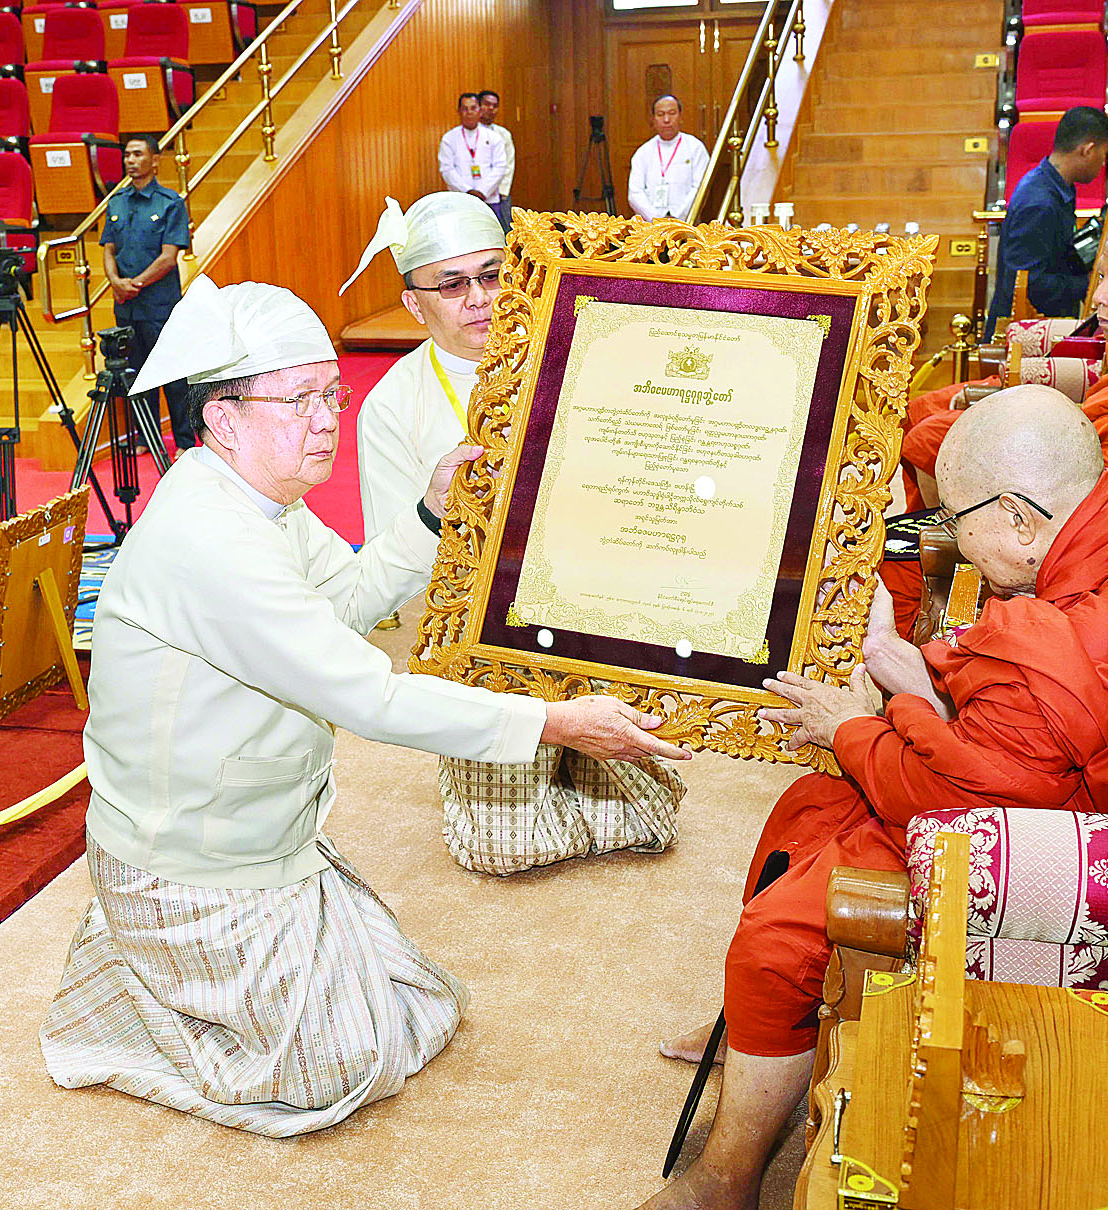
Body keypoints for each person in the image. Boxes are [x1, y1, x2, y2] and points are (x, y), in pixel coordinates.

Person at [38, 276, 690, 1137]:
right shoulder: (209, 537)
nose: (325, 420)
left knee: (421, 1006)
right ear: (223, 419)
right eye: (298, 400)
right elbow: (366, 694)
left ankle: (158, 973)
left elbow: (344, 602)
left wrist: (429, 511)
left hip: (264, 834)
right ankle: (128, 999)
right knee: (339, 1074)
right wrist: (553, 724)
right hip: (193, 857)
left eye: (330, 394)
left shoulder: (258, 499)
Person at [641, 386, 1108, 1210]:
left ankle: (725, 1177)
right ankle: (764, 1027)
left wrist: (854, 724)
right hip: (1055, 788)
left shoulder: (1065, 647)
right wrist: (906, 674)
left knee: (778, 936)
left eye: (955, 518)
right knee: (807, 808)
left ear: (1018, 517)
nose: (951, 538)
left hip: (1048, 849)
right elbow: (1014, 735)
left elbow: (947, 801)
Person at [341, 194, 686, 876]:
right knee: (506, 849)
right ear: (414, 305)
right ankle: (518, 757)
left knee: (646, 824)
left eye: (491, 274)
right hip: (483, 638)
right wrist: (447, 512)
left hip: (594, 606)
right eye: (451, 284)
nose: (478, 298)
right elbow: (393, 571)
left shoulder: (583, 351)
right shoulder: (391, 405)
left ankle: (571, 752)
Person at [909, 217, 1108, 499]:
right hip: (1085, 475)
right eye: (1102, 277)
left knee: (936, 443)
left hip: (1099, 527)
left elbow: (1093, 512)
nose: (1098, 297)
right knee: (932, 430)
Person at [100, 134, 195, 454]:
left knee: (173, 374)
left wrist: (134, 284)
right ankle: (145, 437)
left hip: (159, 305)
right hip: (126, 305)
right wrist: (115, 281)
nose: (130, 160)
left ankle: (184, 441)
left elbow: (168, 258)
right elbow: (108, 249)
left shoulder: (170, 202)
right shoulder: (116, 202)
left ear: (154, 161)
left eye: (138, 154)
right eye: (127, 154)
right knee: (136, 373)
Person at [985, 105, 1108, 338]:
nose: (1103, 164)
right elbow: (1026, 283)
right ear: (1088, 150)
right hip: (1020, 332)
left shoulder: (1057, 186)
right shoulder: (1039, 202)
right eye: (1103, 155)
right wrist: (1086, 285)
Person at [628, 95, 710, 221]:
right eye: (660, 114)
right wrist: (657, 219)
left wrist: (677, 218)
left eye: (672, 113)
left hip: (687, 223)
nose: (666, 120)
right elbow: (635, 193)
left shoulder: (695, 148)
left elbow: (700, 188)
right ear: (653, 119)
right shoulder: (643, 152)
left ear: (680, 117)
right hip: (652, 225)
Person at [438, 92, 507, 214]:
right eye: (465, 108)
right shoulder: (449, 139)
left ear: (480, 110)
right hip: (460, 200)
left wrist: (482, 192)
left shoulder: (494, 137)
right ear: (459, 111)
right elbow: (447, 170)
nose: (469, 112)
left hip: (489, 199)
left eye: (473, 108)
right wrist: (467, 191)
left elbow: (500, 167)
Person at [478, 89, 515, 231]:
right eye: (487, 104)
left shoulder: (503, 134)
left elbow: (508, 165)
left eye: (495, 106)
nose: (491, 109)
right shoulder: (468, 134)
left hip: (499, 194)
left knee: (504, 231)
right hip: (477, 193)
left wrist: (503, 191)